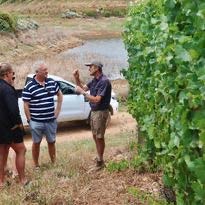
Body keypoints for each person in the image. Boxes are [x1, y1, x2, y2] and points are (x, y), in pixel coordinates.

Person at [22, 61, 63, 169]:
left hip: (50, 120)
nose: (47, 72)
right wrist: (30, 120)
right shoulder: (29, 86)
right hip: (36, 121)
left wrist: (57, 111)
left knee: (51, 142)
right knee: (36, 143)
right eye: (44, 70)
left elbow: (60, 95)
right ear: (37, 72)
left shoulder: (51, 82)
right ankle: (36, 165)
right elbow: (26, 104)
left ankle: (54, 163)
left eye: (46, 69)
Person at [73, 61, 111, 169]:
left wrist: (83, 93)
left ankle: (100, 161)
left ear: (97, 68)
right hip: (94, 112)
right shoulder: (95, 80)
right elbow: (83, 87)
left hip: (101, 112)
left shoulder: (104, 81)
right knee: (95, 136)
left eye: (91, 67)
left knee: (99, 137)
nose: (89, 69)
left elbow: (97, 99)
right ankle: (99, 157)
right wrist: (77, 78)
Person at [0, 63, 27, 187]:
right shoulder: (7, 89)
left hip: (1, 127)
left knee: (2, 152)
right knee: (21, 150)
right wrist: (19, 124)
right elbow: (13, 110)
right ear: (7, 74)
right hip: (10, 127)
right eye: (12, 74)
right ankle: (23, 180)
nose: (13, 76)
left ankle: (1, 182)